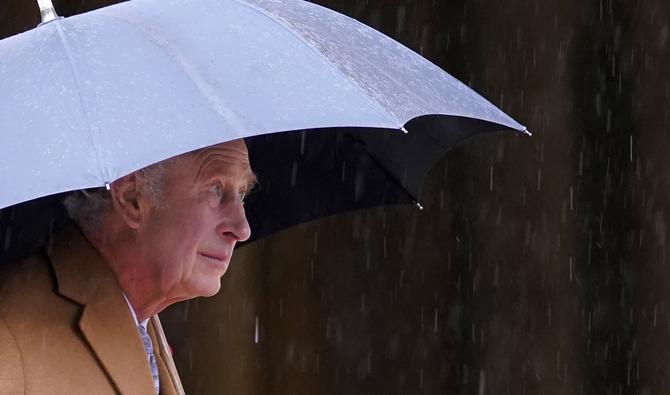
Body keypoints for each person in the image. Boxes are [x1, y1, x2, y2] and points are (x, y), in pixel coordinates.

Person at [0, 139, 256, 394]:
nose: (242, 229)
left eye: (242, 192)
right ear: (132, 198)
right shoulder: (9, 334)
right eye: (215, 190)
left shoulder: (144, 318)